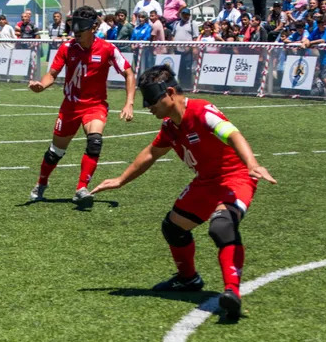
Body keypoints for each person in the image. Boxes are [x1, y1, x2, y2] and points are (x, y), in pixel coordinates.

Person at [90, 66, 276, 319]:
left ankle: (232, 292)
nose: (148, 106)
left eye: (151, 100)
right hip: (205, 183)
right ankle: (188, 279)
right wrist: (122, 180)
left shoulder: (201, 111)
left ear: (169, 93)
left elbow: (232, 134)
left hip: (235, 178)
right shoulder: (170, 126)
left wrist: (252, 164)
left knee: (221, 226)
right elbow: (151, 153)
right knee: (173, 228)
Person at [27, 6, 135, 206]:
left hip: (95, 106)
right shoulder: (67, 48)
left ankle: (81, 188)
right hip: (70, 107)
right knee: (55, 153)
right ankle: (41, 183)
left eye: (81, 28)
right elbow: (52, 74)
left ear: (93, 28)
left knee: (95, 142)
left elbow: (129, 73)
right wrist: (41, 85)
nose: (76, 32)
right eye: (74, 27)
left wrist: (129, 102)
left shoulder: (107, 49)